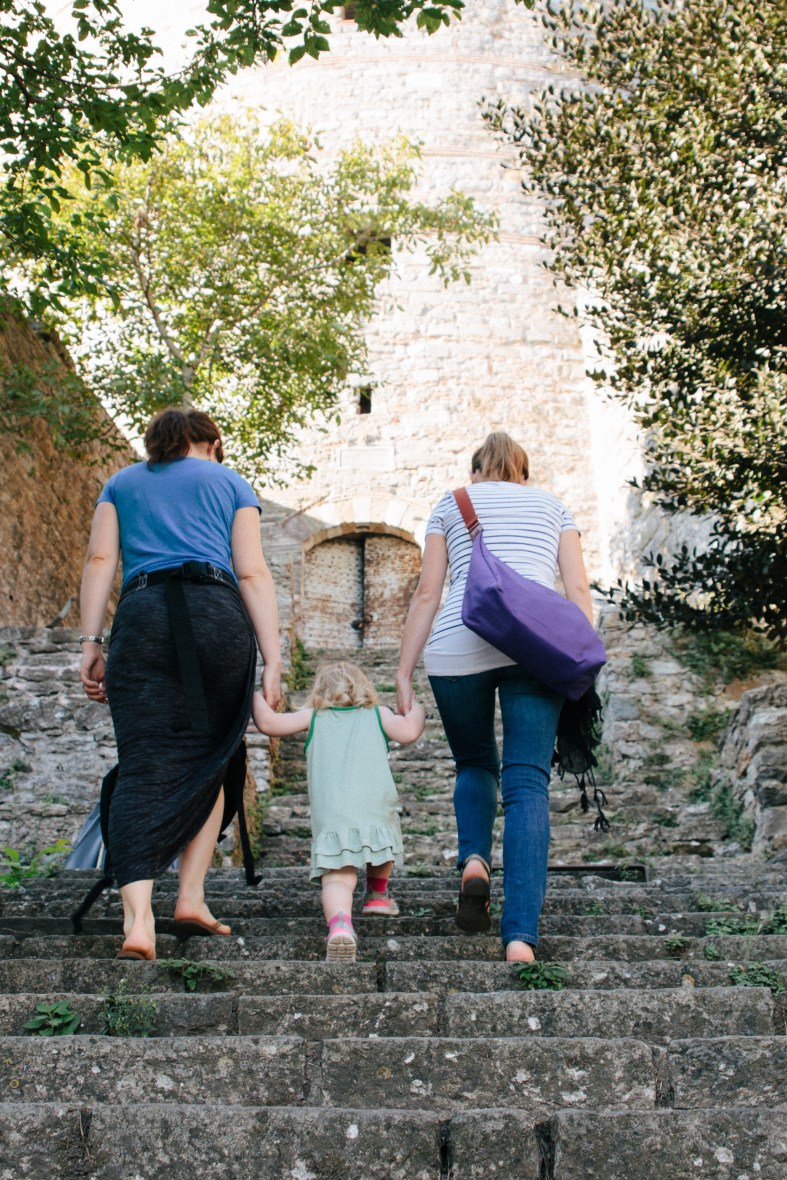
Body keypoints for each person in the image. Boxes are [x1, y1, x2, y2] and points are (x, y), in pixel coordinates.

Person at [79, 408, 281, 961]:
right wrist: (272, 659)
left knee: (143, 763)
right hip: (216, 616)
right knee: (215, 755)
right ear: (211, 443)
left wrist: (91, 642)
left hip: (143, 616)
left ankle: (139, 923)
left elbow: (100, 559)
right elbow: (252, 572)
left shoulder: (121, 483)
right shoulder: (230, 482)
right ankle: (190, 898)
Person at [396, 431, 594, 963]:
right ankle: (520, 939)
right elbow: (578, 591)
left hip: (457, 644)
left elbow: (428, 593)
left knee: (474, 763)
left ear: (476, 470)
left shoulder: (452, 503)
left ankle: (474, 861)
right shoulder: (553, 506)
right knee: (527, 783)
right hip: (536, 646)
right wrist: (583, 656)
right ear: (523, 474)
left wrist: (403, 671)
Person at [253, 662, 424, 961]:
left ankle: (341, 926)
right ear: (364, 687)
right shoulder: (379, 713)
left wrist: (257, 694)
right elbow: (409, 731)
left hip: (334, 812)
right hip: (374, 805)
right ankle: (377, 895)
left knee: (338, 877)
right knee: (379, 843)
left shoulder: (313, 716)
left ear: (319, 691)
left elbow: (268, 724)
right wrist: (415, 706)